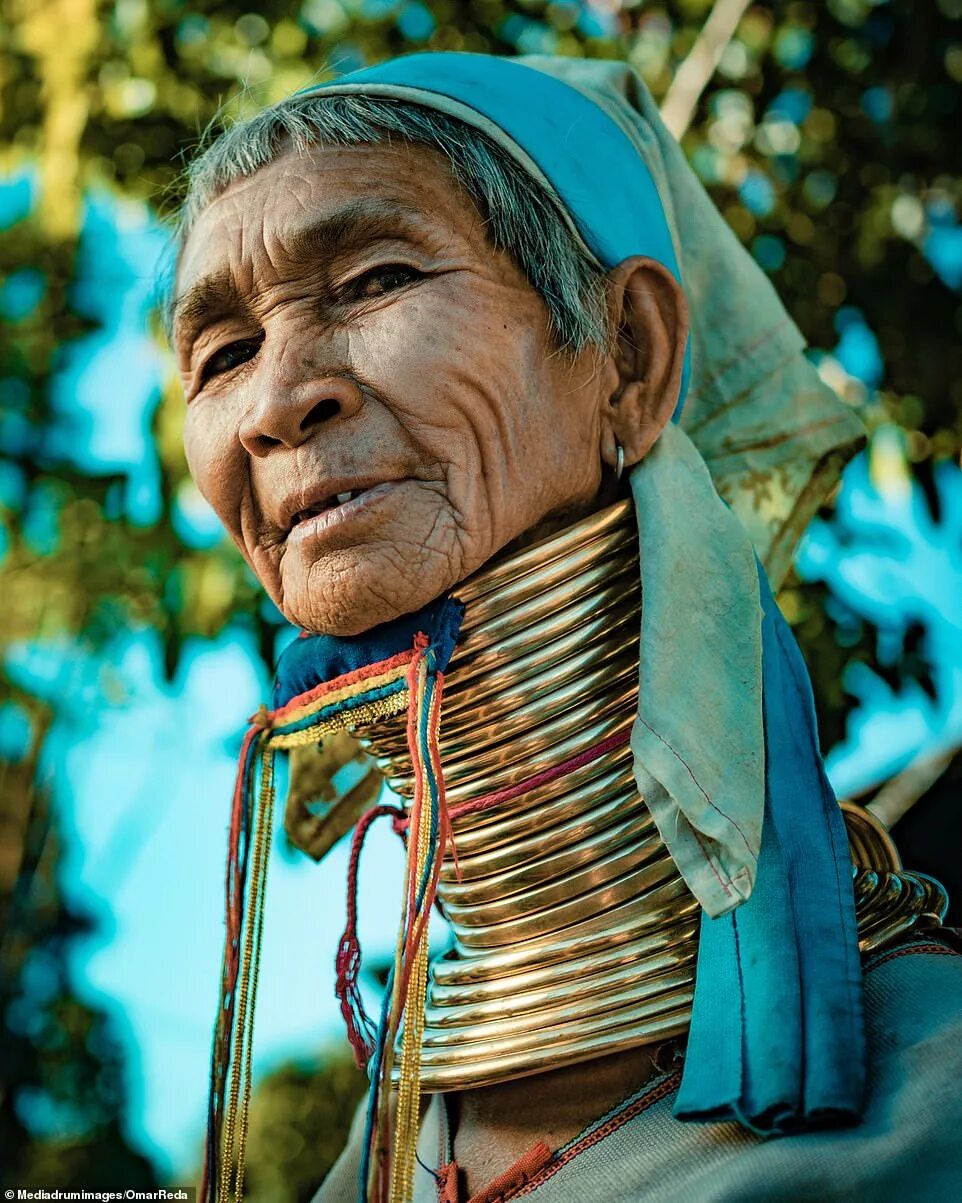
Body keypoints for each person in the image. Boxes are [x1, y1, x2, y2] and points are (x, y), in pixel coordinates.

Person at [168, 52, 962, 1203]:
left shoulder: (927, 1093)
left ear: (626, 354)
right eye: (223, 355)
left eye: (376, 278)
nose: (280, 398)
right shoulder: (378, 1164)